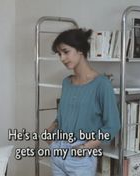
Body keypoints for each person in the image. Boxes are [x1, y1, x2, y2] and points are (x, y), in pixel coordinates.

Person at [46, 28, 120, 176]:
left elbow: (113, 125)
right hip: (58, 150)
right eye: (59, 54)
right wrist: (50, 131)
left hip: (80, 155)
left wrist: (86, 147)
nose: (62, 58)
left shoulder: (102, 84)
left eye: (65, 52)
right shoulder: (66, 83)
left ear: (80, 49)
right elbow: (63, 115)